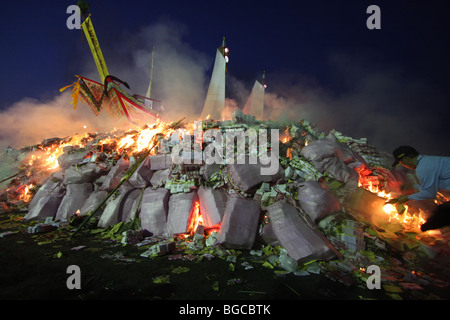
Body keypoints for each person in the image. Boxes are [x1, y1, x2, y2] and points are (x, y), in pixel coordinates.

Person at [389, 146, 450, 231]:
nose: (404, 165)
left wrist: (407, 197)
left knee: (437, 219)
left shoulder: (423, 168)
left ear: (406, 159)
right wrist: (413, 187)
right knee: (439, 215)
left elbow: (429, 193)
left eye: (401, 163)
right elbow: (433, 184)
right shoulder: (428, 161)